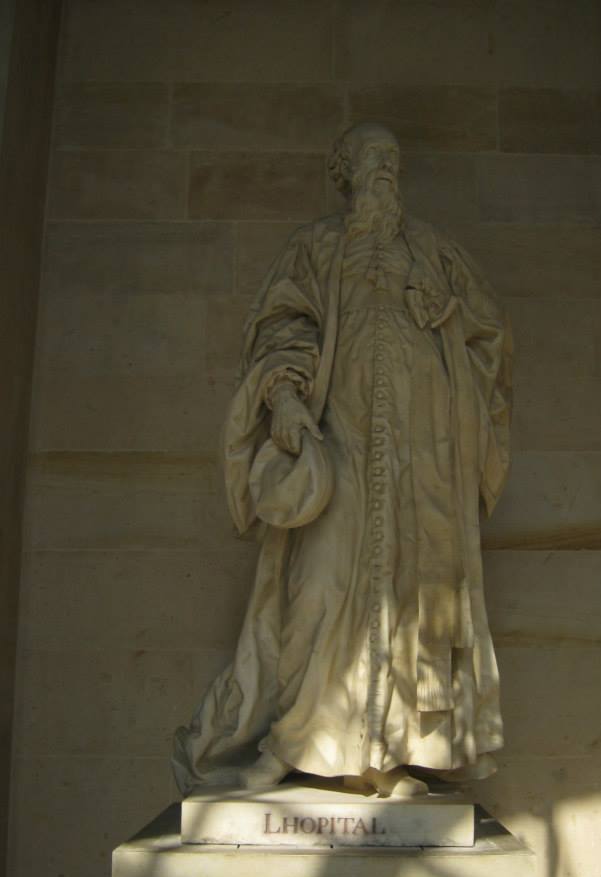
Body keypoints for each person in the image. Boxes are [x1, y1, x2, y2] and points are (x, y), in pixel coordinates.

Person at [173, 123, 512, 798]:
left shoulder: (435, 251)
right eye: (372, 156)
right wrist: (285, 397)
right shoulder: (317, 247)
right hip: (339, 447)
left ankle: (397, 758)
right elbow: (280, 326)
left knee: (415, 605)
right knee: (318, 589)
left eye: (394, 158)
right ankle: (291, 744)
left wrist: (448, 317)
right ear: (344, 171)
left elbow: (489, 340)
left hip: (423, 460)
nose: (386, 167)